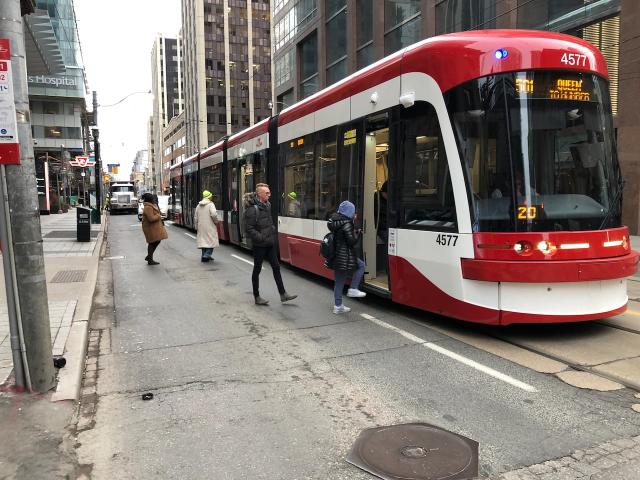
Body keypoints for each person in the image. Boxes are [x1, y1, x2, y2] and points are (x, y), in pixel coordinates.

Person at [244, 183, 297, 305]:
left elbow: (269, 222)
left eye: (269, 192)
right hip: (260, 245)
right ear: (259, 194)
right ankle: (257, 296)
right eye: (267, 193)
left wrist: (272, 230)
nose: (269, 195)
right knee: (257, 269)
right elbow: (249, 228)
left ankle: (283, 294)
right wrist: (261, 237)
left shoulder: (268, 205)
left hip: (270, 243)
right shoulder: (252, 209)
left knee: (276, 267)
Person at [327, 200, 366, 314]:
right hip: (345, 256)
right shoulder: (347, 224)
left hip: (336, 255)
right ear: (349, 212)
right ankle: (353, 288)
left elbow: (343, 236)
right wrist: (358, 234)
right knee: (361, 266)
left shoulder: (335, 222)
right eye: (353, 212)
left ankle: (338, 306)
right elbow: (351, 242)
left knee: (339, 281)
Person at [141, 192, 168, 265]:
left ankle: (149, 257)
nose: (154, 199)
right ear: (150, 199)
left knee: (156, 241)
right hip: (150, 228)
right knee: (152, 242)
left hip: (153, 227)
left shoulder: (152, 205)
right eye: (152, 198)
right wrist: (158, 216)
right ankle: (150, 259)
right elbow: (151, 218)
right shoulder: (148, 207)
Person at [194, 190, 219, 262]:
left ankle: (204, 255)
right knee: (211, 241)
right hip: (210, 226)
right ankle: (206, 255)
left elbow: (195, 217)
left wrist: (196, 226)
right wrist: (216, 221)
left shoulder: (198, 205)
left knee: (204, 241)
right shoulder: (211, 204)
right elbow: (214, 214)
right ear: (209, 197)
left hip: (201, 226)